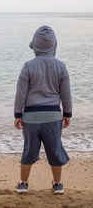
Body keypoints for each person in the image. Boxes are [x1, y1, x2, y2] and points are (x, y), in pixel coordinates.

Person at [14, 25, 72, 194]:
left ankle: (23, 183)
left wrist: (18, 114)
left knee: (29, 150)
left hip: (31, 118)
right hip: (53, 117)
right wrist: (67, 114)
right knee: (55, 150)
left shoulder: (28, 66)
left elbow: (21, 94)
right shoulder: (60, 66)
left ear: (35, 45)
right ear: (54, 45)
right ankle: (58, 184)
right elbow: (66, 94)